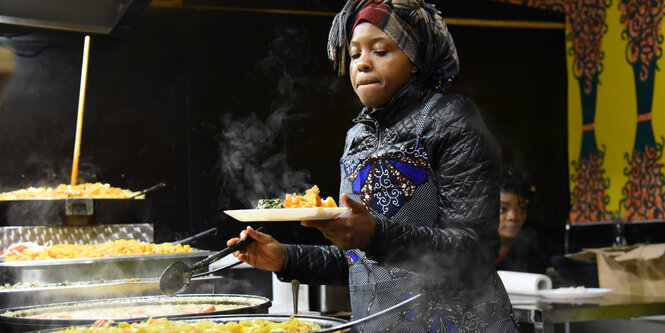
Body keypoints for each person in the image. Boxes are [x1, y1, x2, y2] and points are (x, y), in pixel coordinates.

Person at [228, 1, 520, 331]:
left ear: (414, 61)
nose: (362, 64)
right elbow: (361, 260)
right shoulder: (358, 137)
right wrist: (287, 258)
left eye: (380, 51)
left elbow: (474, 253)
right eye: (354, 55)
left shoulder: (452, 121)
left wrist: (376, 233)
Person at [495, 165, 547, 273]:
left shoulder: (531, 250)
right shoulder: (473, 250)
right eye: (503, 209)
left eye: (521, 209)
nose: (513, 217)